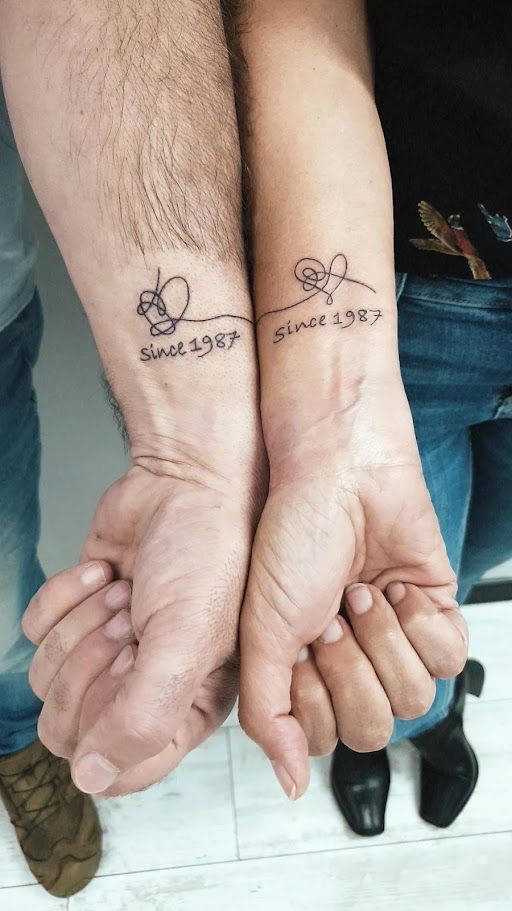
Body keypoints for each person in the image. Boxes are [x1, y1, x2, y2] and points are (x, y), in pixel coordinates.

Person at [0, 1, 470, 898]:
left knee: (467, 562)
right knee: (405, 592)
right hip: (415, 283)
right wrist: (202, 455)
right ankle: (425, 724)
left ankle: (439, 717)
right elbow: (298, 21)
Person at [229, 0, 512, 835]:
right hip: (417, 301)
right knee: (386, 573)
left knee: (475, 554)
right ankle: (401, 722)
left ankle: (435, 705)